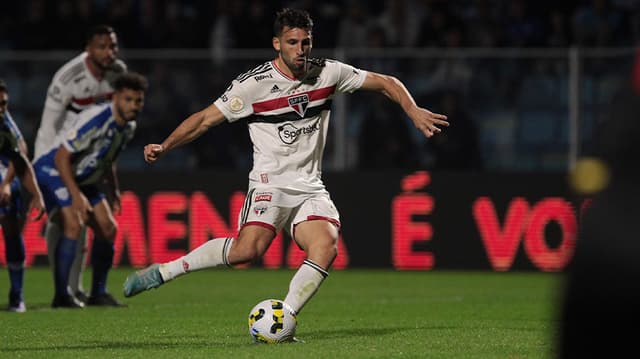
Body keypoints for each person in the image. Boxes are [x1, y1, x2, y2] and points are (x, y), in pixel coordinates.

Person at [123, 8, 447, 320]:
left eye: (305, 42)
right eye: (292, 42)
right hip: (270, 184)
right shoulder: (253, 84)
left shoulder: (328, 72)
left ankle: (283, 316)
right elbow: (205, 120)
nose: (301, 50)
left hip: (309, 186)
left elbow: (386, 81)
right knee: (245, 253)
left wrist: (413, 109)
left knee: (326, 246)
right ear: (277, 43)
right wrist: (165, 146)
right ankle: (165, 271)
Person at [34, 72, 147, 308]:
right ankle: (62, 296)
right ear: (115, 97)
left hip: (82, 177)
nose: (134, 106)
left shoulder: (128, 127)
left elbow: (107, 159)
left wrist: (114, 190)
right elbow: (62, 157)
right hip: (52, 169)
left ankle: (98, 293)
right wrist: (75, 195)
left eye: (138, 101)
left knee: (108, 227)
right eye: (128, 99)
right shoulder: (96, 118)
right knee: (74, 223)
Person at [35, 24, 126, 305]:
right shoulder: (68, 77)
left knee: (99, 226)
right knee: (68, 221)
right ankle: (64, 292)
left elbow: (113, 134)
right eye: (102, 47)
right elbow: (48, 128)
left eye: (113, 46)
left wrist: (111, 180)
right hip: (56, 158)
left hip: (88, 163)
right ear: (89, 49)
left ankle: (86, 291)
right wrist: (42, 173)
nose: (109, 53)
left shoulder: (118, 74)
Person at [0, 79, 46, 312]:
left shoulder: (5, 123)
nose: (1, 110)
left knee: (10, 226)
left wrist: (36, 194)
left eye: (4, 104)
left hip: (3, 176)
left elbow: (20, 156)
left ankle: (17, 296)